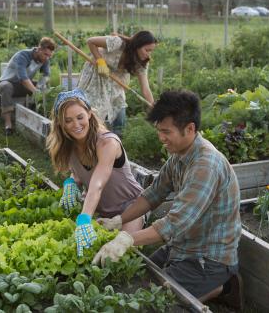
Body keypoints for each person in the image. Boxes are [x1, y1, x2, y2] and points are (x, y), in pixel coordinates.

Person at [92, 90, 243, 310]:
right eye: (158, 130)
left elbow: (175, 222)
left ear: (190, 129)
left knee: (151, 303)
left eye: (166, 131)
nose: (161, 138)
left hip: (208, 258)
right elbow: (153, 194)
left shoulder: (206, 165)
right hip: (181, 246)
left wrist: (126, 239)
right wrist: (118, 220)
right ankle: (222, 288)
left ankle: (222, 283)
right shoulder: (180, 155)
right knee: (138, 277)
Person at [45, 88, 145, 257]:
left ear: (89, 114)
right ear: (60, 123)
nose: (76, 125)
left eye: (80, 117)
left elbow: (97, 184)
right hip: (100, 211)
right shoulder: (69, 144)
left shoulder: (107, 142)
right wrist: (71, 182)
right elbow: (79, 172)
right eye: (68, 120)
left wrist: (84, 219)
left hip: (130, 208)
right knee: (79, 251)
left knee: (120, 254)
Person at [78, 31, 157, 137]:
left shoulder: (141, 63)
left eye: (151, 51)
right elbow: (91, 41)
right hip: (97, 74)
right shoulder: (118, 43)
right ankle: (92, 136)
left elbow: (145, 88)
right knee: (95, 109)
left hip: (116, 81)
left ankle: (117, 140)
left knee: (119, 108)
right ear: (137, 45)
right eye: (147, 50)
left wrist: (152, 106)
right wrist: (100, 60)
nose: (148, 54)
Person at [0, 37, 56, 135]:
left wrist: (41, 85)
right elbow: (23, 79)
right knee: (5, 87)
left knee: (47, 89)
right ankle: (8, 125)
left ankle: (42, 116)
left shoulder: (45, 60)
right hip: (9, 82)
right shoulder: (23, 55)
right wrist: (36, 92)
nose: (47, 58)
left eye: (49, 56)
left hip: (23, 85)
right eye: (45, 54)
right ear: (39, 49)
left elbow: (46, 75)